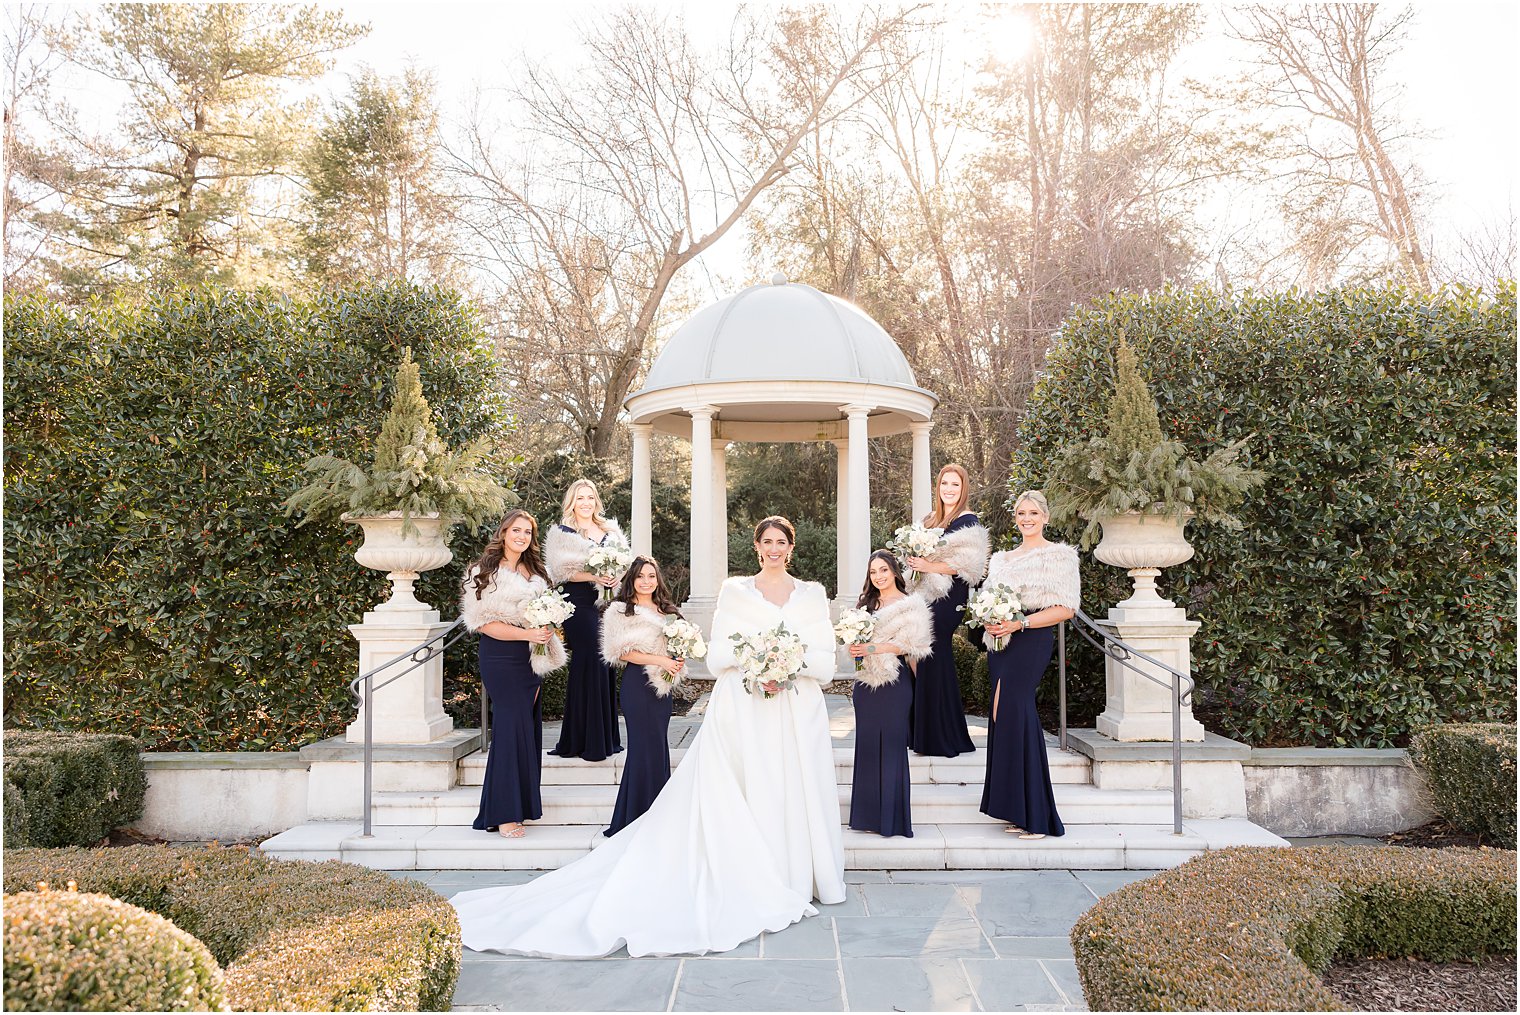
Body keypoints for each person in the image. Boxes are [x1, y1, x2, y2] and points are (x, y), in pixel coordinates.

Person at [450, 515, 845, 957]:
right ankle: (751, 870)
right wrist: (760, 667)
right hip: (746, 703)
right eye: (766, 541)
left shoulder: (812, 594)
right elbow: (720, 654)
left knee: (790, 783)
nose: (773, 548)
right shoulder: (736, 591)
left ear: (791, 548)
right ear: (756, 546)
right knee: (746, 781)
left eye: (781, 543)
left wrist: (788, 666)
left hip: (795, 705)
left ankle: (795, 870)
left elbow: (823, 654)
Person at [458, 511, 566, 839]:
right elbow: (483, 623)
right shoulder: (483, 572)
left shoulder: (536, 573)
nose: (522, 536)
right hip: (501, 657)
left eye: (528, 532)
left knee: (525, 730)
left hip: (531, 657)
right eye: (516, 530)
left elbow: (547, 612)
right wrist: (526, 635)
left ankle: (522, 804)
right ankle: (504, 813)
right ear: (503, 533)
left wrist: (546, 628)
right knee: (508, 729)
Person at [978, 490, 1079, 839]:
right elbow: (988, 599)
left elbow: (1066, 608)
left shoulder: (1059, 557)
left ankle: (1037, 817)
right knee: (999, 714)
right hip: (1001, 640)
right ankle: (1013, 807)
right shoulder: (1002, 560)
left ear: (1045, 517)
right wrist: (992, 619)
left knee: (1017, 710)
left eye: (1033, 512)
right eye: (1021, 513)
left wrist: (1019, 622)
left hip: (1030, 638)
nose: (1027, 518)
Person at [904, 463, 990, 757]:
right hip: (924, 594)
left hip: (949, 598)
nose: (949, 489)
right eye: (944, 484)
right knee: (925, 658)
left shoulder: (968, 521)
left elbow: (970, 565)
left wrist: (930, 565)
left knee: (933, 654)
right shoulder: (929, 520)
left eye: (955, 484)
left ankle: (941, 739)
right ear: (937, 487)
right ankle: (935, 733)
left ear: (963, 488)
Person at [846, 550, 933, 838]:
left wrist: (873, 647)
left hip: (896, 682)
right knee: (868, 746)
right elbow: (855, 641)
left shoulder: (912, 606)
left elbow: (912, 645)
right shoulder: (865, 605)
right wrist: (855, 648)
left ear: (895, 571)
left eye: (883, 570)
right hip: (866, 684)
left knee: (894, 745)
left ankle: (892, 820)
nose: (878, 576)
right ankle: (866, 817)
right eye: (873, 572)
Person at [597, 556, 686, 837]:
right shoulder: (620, 611)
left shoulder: (667, 611)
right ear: (631, 580)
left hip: (663, 688)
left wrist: (678, 656)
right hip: (638, 685)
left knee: (658, 748)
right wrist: (659, 660)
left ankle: (660, 818)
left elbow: (677, 645)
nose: (646, 581)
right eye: (640, 576)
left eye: (651, 576)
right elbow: (620, 652)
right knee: (642, 750)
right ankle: (634, 818)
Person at [544, 479, 626, 762]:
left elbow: (623, 565)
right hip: (577, 604)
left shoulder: (609, 531)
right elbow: (559, 571)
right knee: (589, 657)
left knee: (603, 660)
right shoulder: (561, 533)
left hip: (606, 604)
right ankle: (582, 740)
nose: (586, 503)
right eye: (580, 498)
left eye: (590, 497)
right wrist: (593, 576)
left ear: (596, 501)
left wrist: (614, 577)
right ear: (572, 502)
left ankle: (604, 738)